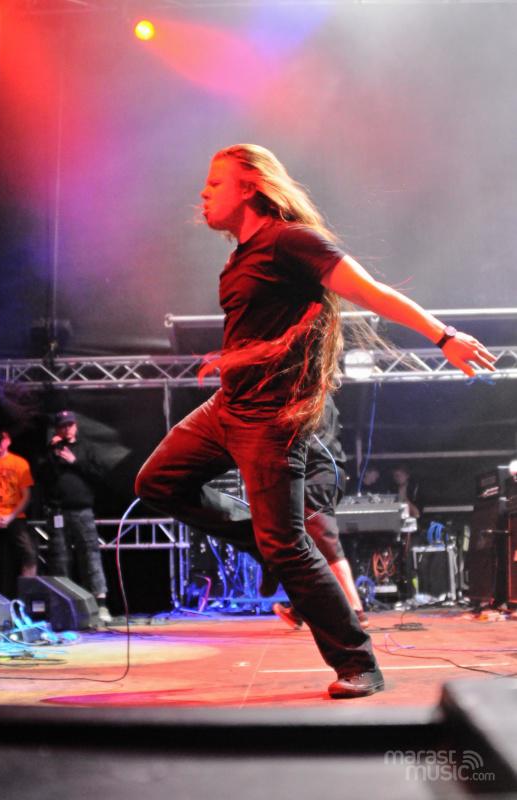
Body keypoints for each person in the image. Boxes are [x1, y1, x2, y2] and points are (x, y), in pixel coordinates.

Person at [135, 144, 494, 698]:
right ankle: (266, 544)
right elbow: (266, 328)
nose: (203, 194)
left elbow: (371, 293)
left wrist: (443, 337)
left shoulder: (291, 242)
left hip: (270, 420)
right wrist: (234, 358)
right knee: (157, 482)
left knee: (288, 544)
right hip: (228, 407)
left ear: (251, 187)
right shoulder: (240, 258)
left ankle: (358, 663)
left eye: (215, 183)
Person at [273, 393, 369, 630]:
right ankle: (300, 610)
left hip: (317, 476)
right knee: (309, 545)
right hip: (330, 475)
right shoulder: (323, 396)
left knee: (326, 542)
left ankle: (356, 610)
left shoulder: (306, 396)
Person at [41, 410, 111, 624]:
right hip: (58, 512)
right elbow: (44, 477)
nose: (67, 429)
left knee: (90, 555)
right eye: (63, 426)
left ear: (76, 426)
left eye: (70, 425)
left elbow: (99, 475)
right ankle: (64, 605)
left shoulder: (86, 448)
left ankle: (100, 605)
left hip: (82, 510)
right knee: (60, 558)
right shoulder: (51, 451)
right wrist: (52, 451)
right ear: (57, 429)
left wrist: (75, 461)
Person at [0, 431, 38, 587]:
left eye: (2, 440)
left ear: (8, 441)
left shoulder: (19, 463)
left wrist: (10, 517)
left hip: (14, 516)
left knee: (29, 553)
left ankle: (27, 593)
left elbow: (26, 495)